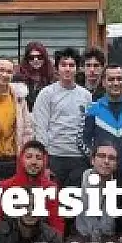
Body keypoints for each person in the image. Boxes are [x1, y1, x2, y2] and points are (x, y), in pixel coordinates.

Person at [32, 47, 93, 188]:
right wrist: (44, 160)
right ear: (57, 68)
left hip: (79, 157)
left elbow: (88, 128)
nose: (67, 69)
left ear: (77, 69)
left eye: (71, 65)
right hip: (54, 156)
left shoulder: (86, 95)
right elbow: (40, 128)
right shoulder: (46, 94)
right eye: (63, 65)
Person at [0, 140, 65, 234]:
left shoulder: (50, 188)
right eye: (29, 157)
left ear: (44, 162)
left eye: (39, 158)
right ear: (21, 160)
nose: (34, 162)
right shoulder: (4, 186)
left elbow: (56, 223)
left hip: (41, 238)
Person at [0, 56, 34, 184]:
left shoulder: (19, 98)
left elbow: (27, 130)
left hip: (13, 160)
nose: (4, 74)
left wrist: (26, 157)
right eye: (1, 70)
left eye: (9, 72)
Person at [15, 41, 54, 110]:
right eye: (31, 57)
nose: (35, 60)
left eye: (39, 57)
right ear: (27, 59)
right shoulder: (18, 77)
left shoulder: (52, 77)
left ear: (44, 58)